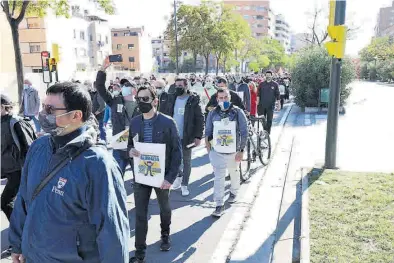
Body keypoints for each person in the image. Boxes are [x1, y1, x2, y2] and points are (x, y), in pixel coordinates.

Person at [8, 82, 129, 263]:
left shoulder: (98, 164)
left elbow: (112, 230)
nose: (43, 114)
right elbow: (24, 199)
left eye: (50, 109)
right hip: (34, 257)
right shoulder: (38, 147)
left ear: (76, 115)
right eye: (43, 107)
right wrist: (17, 244)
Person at [128, 85, 182, 263]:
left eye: (145, 99)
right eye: (139, 99)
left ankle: (165, 235)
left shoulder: (168, 122)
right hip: (142, 176)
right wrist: (131, 152)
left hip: (162, 177)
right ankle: (140, 252)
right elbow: (130, 145)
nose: (142, 102)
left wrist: (170, 178)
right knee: (140, 215)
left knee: (164, 209)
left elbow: (177, 152)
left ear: (155, 101)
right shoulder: (135, 122)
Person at [205, 88, 248, 217]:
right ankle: (219, 204)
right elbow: (208, 131)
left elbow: (244, 132)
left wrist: (241, 150)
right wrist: (209, 148)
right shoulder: (212, 113)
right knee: (219, 178)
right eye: (221, 98)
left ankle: (234, 191)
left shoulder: (238, 112)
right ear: (217, 99)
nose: (223, 100)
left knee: (234, 172)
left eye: (226, 98)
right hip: (217, 152)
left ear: (230, 98)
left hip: (233, 152)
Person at [159, 78, 204, 196]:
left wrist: (198, 136)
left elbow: (199, 119)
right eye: (176, 85)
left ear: (186, 86)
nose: (178, 87)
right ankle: (178, 176)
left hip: (187, 136)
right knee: (172, 160)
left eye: (180, 85)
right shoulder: (171, 98)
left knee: (186, 161)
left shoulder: (193, 100)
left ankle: (184, 185)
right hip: (172, 136)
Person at [96, 59, 141, 176]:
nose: (123, 87)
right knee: (116, 174)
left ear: (134, 90)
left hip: (136, 144)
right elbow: (100, 87)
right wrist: (102, 69)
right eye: (123, 85)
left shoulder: (142, 105)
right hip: (119, 144)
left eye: (127, 85)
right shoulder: (115, 101)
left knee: (139, 177)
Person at [1, 94, 36, 222]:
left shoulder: (16, 122)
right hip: (8, 170)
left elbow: (29, 147)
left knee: (5, 202)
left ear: (4, 107)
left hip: (18, 170)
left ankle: (20, 234)